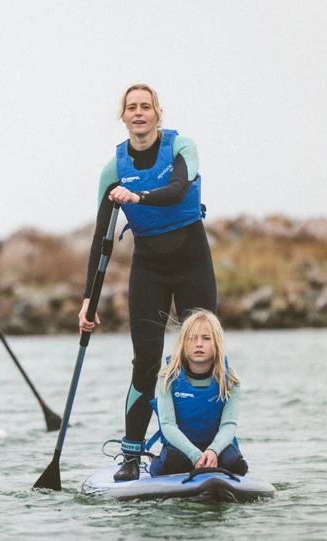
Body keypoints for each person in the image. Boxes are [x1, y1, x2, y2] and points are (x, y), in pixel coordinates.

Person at [79, 84, 216, 480]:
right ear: (122, 117)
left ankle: (206, 452)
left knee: (202, 357)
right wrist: (89, 300)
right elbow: (101, 238)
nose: (139, 113)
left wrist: (137, 198)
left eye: (146, 107)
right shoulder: (113, 170)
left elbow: (177, 190)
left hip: (193, 262)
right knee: (146, 364)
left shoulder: (181, 148)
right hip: (149, 269)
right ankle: (131, 456)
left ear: (158, 114)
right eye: (131, 108)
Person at [149, 309, 248, 477]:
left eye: (206, 338)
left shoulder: (230, 380)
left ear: (217, 343)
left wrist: (213, 451)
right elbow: (167, 425)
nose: (199, 344)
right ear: (183, 343)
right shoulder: (167, 378)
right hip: (180, 449)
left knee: (237, 465)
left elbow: (229, 425)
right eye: (192, 338)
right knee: (168, 465)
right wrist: (195, 455)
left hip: (216, 449)